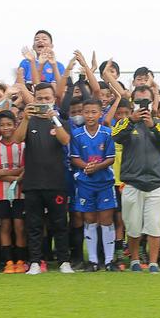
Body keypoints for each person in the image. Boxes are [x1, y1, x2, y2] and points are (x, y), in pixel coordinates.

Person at [14, 83, 73, 274]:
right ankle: (35, 262)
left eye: (47, 98)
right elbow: (17, 139)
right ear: (34, 99)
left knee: (59, 224)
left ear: (54, 99)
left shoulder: (60, 121)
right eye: (39, 98)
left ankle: (64, 261)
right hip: (32, 182)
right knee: (34, 225)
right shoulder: (29, 120)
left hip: (56, 182)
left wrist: (55, 120)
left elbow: (65, 140)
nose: (43, 102)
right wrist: (25, 118)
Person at [112, 92, 160, 272]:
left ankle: (153, 263)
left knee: (155, 224)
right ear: (133, 104)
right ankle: (135, 261)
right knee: (133, 226)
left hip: (157, 182)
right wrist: (131, 120)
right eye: (139, 102)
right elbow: (115, 135)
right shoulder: (126, 123)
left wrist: (152, 125)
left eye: (146, 102)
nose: (143, 106)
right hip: (132, 182)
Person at [70, 98, 118, 271]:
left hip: (104, 182)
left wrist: (97, 167)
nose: (90, 116)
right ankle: (93, 261)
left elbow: (111, 158)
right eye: (87, 112)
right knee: (89, 219)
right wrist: (86, 167)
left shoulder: (107, 133)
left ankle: (109, 261)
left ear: (100, 114)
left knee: (106, 219)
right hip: (85, 183)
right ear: (82, 113)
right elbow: (74, 157)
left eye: (94, 112)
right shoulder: (76, 134)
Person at [0, 110, 26, 273]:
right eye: (2, 125)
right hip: (0, 194)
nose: (6, 128)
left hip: (20, 193)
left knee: (19, 226)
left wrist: (4, 173)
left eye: (9, 124)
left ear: (15, 125)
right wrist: (15, 176)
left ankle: (21, 260)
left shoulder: (22, 145)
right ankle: (8, 261)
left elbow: (24, 169)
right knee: (5, 226)